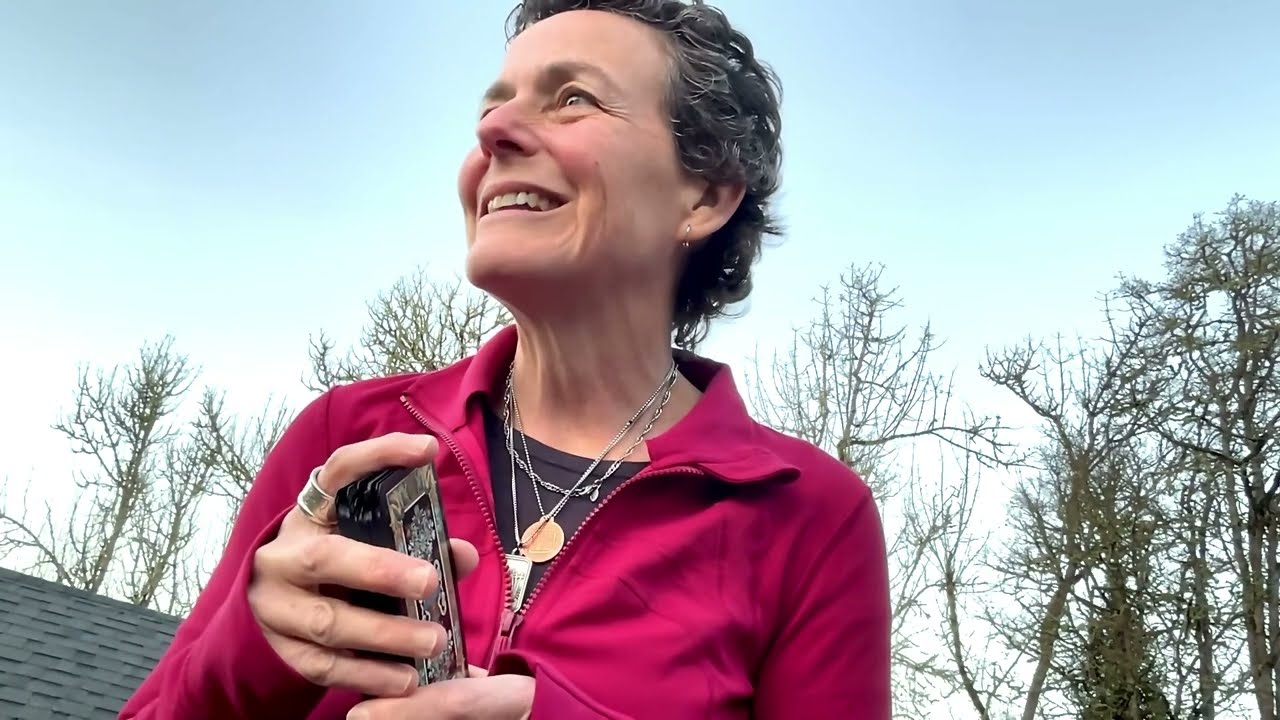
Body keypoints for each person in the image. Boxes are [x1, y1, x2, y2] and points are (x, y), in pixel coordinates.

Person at [120, 1, 891, 718]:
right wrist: (254, 647)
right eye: (492, 107)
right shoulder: (348, 436)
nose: (495, 131)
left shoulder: (812, 517)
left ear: (706, 197)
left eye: (573, 99)